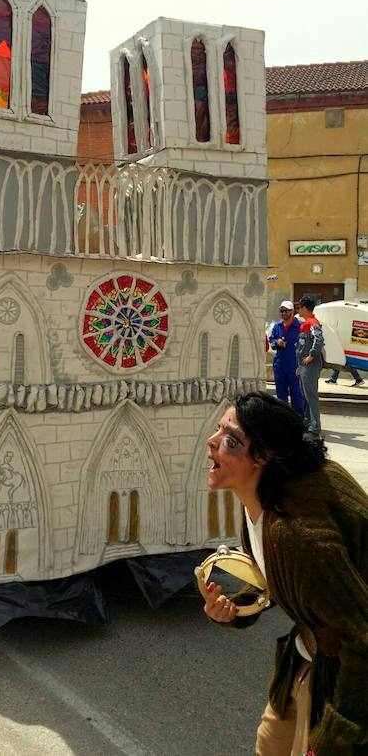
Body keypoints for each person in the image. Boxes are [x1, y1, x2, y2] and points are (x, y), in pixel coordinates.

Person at [203, 392, 368, 756]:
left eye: (230, 439)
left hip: (339, 677)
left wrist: (333, 738)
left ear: (262, 457)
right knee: (269, 746)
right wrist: (237, 609)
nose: (212, 441)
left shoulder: (301, 536)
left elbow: (362, 637)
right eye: (218, 429)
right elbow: (284, 581)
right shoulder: (262, 499)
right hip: (303, 658)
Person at [296, 296, 324, 440]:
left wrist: (311, 356)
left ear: (305, 308)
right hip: (304, 366)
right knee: (305, 396)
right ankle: (308, 424)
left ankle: (315, 430)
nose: (298, 310)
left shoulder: (313, 323)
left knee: (311, 397)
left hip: (310, 366)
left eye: (299, 307)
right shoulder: (305, 324)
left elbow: (319, 339)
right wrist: (299, 366)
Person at [269, 300, 304, 414]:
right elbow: (271, 341)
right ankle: (283, 419)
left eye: (286, 311)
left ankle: (298, 418)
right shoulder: (277, 326)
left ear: (292, 311)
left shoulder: (300, 326)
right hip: (280, 365)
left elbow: (306, 344)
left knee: (296, 394)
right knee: (281, 396)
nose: (284, 313)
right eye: (282, 311)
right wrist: (277, 342)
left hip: (294, 365)